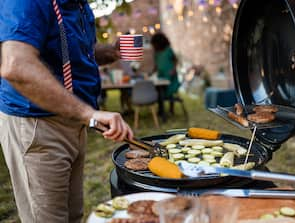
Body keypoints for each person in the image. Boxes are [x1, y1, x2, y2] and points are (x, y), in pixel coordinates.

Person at [0, 0, 133, 223]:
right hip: (38, 125)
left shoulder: (80, 4)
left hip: (73, 118)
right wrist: (88, 114)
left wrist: (108, 51)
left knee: (72, 216)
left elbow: (73, 50)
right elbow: (16, 65)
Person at [150, 32, 180, 115]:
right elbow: (156, 64)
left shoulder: (168, 50)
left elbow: (175, 60)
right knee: (159, 91)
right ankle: (161, 109)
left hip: (170, 75)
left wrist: (173, 70)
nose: (154, 46)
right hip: (161, 75)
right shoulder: (157, 53)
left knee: (170, 93)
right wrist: (152, 72)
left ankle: (171, 109)